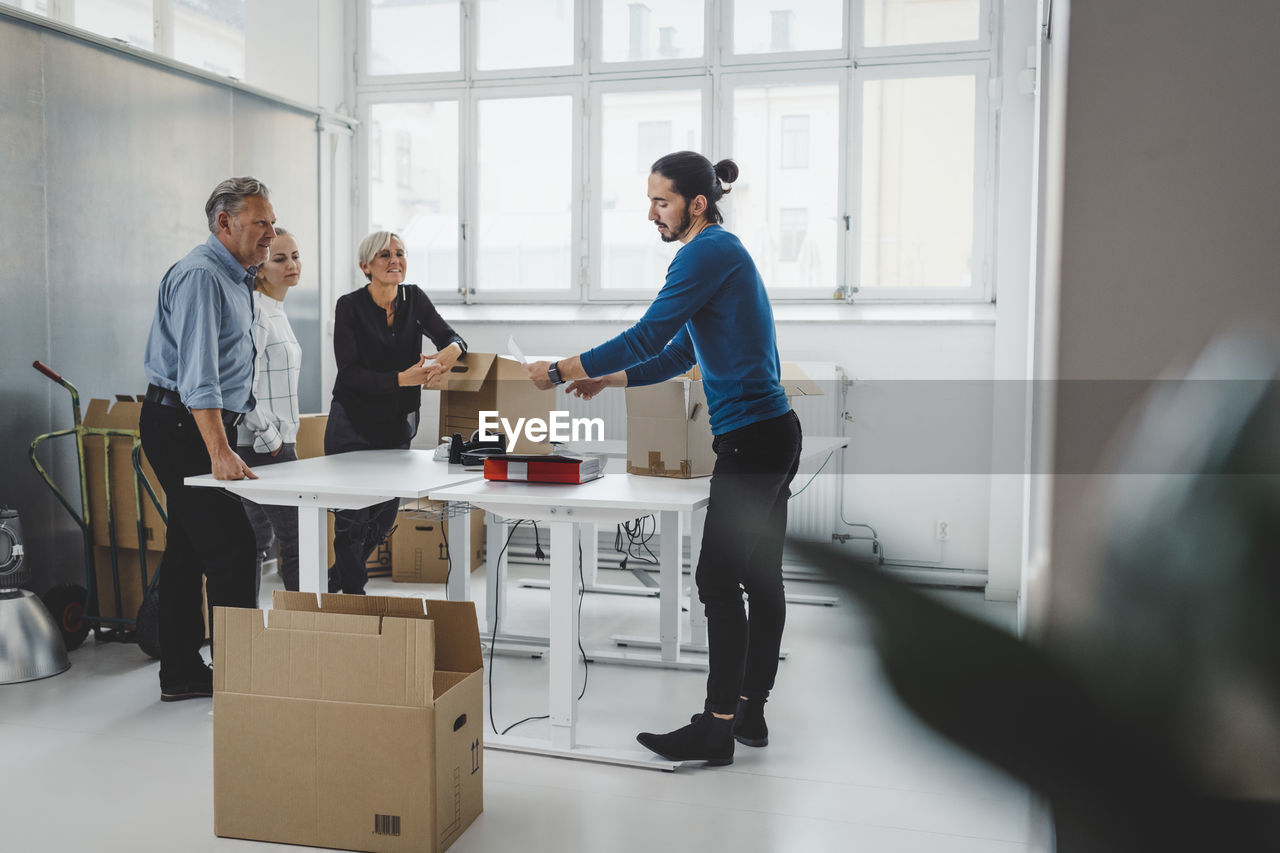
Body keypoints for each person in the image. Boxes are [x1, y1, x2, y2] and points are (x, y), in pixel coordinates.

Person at [527, 151, 802, 766]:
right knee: (758, 578)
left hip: (753, 440)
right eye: (651, 200)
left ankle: (717, 726)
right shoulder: (720, 254)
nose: (651, 213)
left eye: (661, 201)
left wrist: (559, 370)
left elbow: (650, 332)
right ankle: (749, 715)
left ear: (696, 204)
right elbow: (678, 352)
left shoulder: (706, 252)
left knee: (716, 579)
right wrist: (610, 379)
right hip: (771, 433)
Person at [141, 176, 276, 702]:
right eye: (259, 221)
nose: (269, 232)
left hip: (195, 424)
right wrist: (219, 451)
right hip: (183, 427)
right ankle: (239, 675)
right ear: (225, 223)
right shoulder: (202, 276)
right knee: (234, 549)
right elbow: (200, 377)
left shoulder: (237, 276)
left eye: (270, 220)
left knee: (187, 551)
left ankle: (179, 672)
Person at [325, 231, 467, 594]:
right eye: (384, 255)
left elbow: (452, 338)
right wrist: (402, 378)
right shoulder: (349, 306)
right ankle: (355, 598)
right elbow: (350, 373)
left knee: (385, 514)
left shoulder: (414, 299)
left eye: (400, 253)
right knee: (352, 517)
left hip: (396, 422)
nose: (394, 260)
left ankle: (336, 579)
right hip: (352, 423)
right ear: (365, 266)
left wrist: (449, 353)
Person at [236, 227, 303, 593]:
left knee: (258, 543)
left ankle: (262, 636)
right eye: (280, 258)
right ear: (260, 267)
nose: (292, 264)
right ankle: (301, 633)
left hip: (278, 444)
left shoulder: (277, 310)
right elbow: (242, 386)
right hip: (263, 447)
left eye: (295, 256)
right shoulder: (257, 312)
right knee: (292, 541)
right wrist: (273, 438)